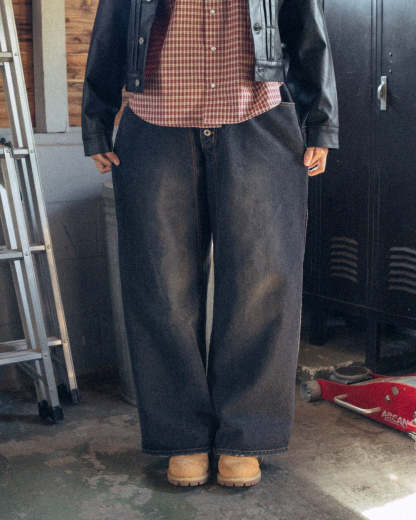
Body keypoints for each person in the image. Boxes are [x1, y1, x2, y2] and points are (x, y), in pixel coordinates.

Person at [81, 0, 339, 488]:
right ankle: (182, 437)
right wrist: (96, 120)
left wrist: (320, 120)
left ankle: (245, 436)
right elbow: (110, 26)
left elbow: (308, 30)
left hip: (258, 117)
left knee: (261, 284)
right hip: (155, 122)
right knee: (160, 288)